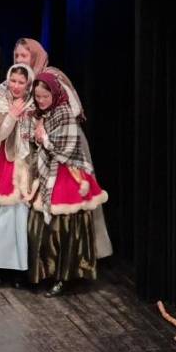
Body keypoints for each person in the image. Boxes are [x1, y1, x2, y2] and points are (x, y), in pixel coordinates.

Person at [13, 37, 114, 261]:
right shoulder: (21, 82)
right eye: (17, 55)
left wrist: (45, 126)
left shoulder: (52, 76)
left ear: (35, 56)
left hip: (65, 142)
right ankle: (49, 258)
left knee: (74, 200)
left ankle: (84, 254)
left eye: (24, 55)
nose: (20, 59)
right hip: (41, 145)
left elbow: (73, 109)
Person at [26, 73, 108, 297]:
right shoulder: (42, 114)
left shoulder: (64, 113)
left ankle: (65, 276)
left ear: (54, 94)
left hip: (68, 174)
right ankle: (49, 272)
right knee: (43, 227)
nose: (41, 100)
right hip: (48, 172)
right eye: (37, 97)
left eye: (45, 96)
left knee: (64, 230)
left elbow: (67, 149)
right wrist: (37, 136)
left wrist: (44, 139)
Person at [0, 64, 35, 288]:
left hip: (25, 163)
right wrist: (12, 116)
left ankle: (20, 269)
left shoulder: (33, 101)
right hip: (5, 162)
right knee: (1, 218)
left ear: (28, 84)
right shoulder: (1, 98)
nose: (16, 86)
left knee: (20, 218)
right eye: (13, 81)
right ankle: (0, 267)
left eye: (21, 82)